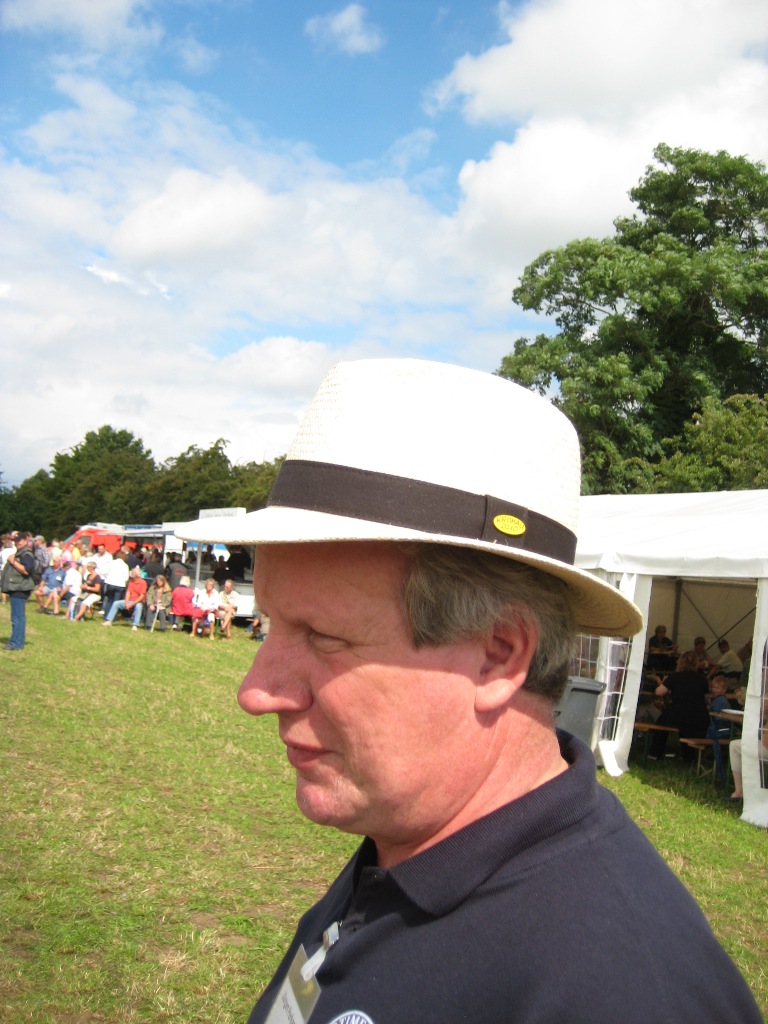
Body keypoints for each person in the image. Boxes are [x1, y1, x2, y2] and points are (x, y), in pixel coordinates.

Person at [190, 359, 761, 1024]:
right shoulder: (417, 844)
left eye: (322, 636)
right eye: (270, 625)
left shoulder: (623, 995)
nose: (256, 691)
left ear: (498, 656)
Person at [651, 650, 711, 760]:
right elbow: (706, 699)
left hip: (678, 713)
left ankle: (655, 753)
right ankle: (688, 755)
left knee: (661, 723)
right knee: (687, 728)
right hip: (698, 715)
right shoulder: (702, 679)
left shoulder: (675, 676)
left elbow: (659, 692)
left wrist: (663, 683)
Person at [2, 531, 35, 650]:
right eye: (15, 541)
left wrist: (13, 562)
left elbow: (26, 570)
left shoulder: (26, 554)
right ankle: (18, 642)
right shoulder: (21, 553)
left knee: (17, 618)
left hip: (20, 588)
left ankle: (15, 643)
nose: (17, 543)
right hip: (17, 587)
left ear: (25, 541)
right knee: (18, 617)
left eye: (19, 540)